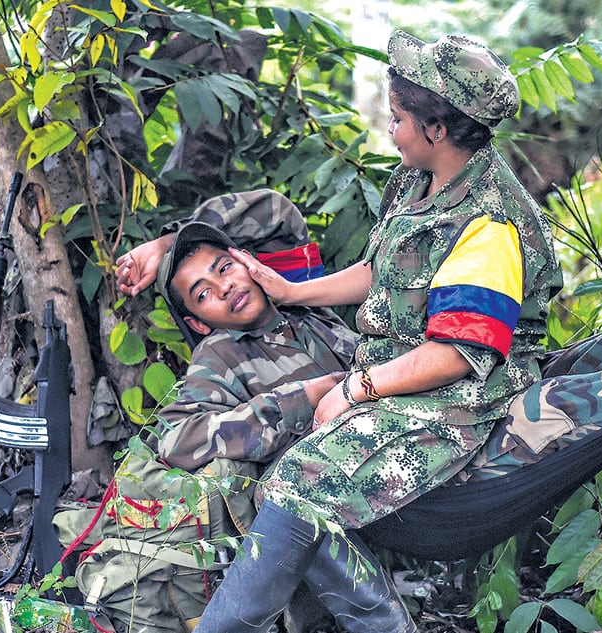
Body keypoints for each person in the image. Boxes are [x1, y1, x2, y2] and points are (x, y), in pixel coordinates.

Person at [186, 30, 602, 633]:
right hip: (411, 372)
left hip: (452, 397)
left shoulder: (487, 227)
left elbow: (459, 354)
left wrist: (357, 389)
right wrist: (293, 291)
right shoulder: (423, 179)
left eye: (399, 118)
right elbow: (385, 269)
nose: (391, 128)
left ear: (438, 129)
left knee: (297, 486)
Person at [114, 190, 417, 632]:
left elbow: (276, 212)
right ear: (198, 322)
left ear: (247, 261)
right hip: (329, 496)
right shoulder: (219, 353)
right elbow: (177, 438)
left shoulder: (298, 296)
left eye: (225, 268)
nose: (224, 287)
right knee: (290, 481)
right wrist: (301, 400)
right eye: (204, 293)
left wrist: (164, 245)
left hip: (404, 452)